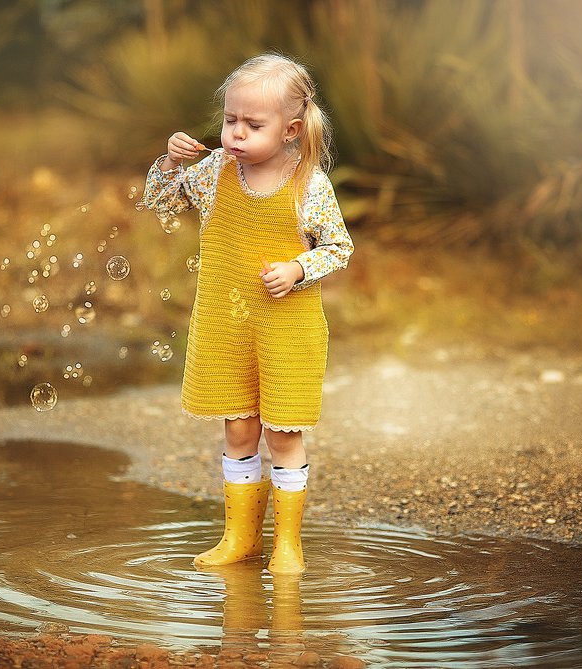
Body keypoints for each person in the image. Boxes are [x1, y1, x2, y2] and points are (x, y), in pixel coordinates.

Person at [142, 53, 353, 575]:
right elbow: (159, 202)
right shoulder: (214, 173)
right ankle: (240, 537)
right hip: (226, 324)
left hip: (287, 329)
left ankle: (287, 543)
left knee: (282, 434)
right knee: (239, 430)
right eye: (230, 120)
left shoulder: (309, 185)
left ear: (290, 130)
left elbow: (338, 246)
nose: (235, 133)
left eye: (252, 124)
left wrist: (299, 269)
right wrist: (170, 164)